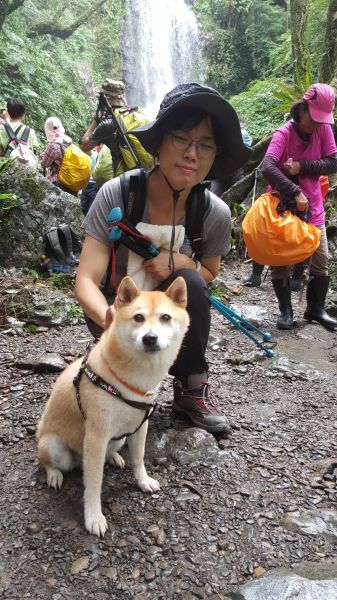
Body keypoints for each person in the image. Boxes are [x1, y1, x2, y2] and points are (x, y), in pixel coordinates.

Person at [75, 82, 251, 434]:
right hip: (118, 309)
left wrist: (182, 264)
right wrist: (108, 315)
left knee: (193, 283)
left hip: (168, 312)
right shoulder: (118, 195)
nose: (192, 154)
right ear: (158, 143)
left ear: (216, 156)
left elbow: (210, 271)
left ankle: (191, 386)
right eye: (182, 139)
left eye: (205, 145)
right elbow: (85, 280)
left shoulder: (212, 213)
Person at [261, 83, 337, 331]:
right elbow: (268, 166)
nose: (317, 124)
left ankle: (315, 309)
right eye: (314, 118)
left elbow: (333, 162)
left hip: (313, 205)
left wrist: (301, 167)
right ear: (302, 110)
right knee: (279, 258)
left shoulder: (324, 130)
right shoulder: (283, 133)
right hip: (282, 206)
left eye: (321, 120)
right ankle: (285, 311)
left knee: (321, 258)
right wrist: (294, 190)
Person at [40, 116, 76, 196]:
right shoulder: (68, 140)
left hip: (58, 182)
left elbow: (44, 164)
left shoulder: (53, 145)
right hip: (71, 179)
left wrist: (43, 156)